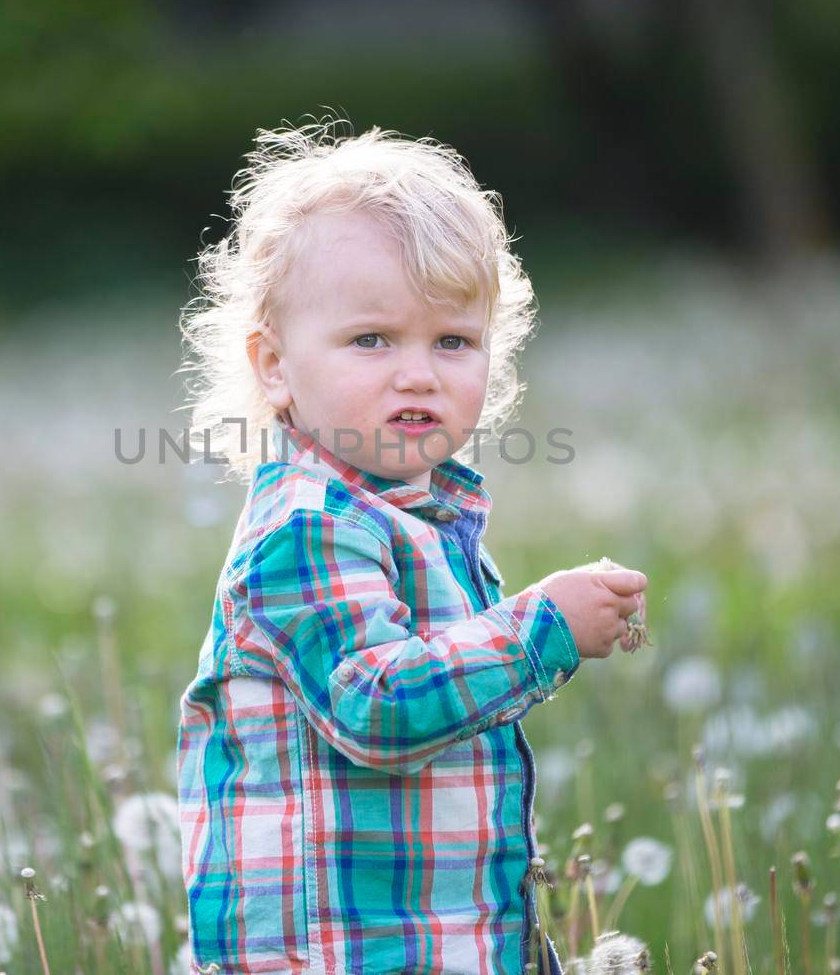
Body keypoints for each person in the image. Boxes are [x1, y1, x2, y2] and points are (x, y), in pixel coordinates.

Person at [174, 118, 649, 973]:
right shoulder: (306, 527)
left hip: (435, 936)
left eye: (453, 341)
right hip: (340, 949)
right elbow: (379, 707)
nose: (419, 372)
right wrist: (542, 626)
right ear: (275, 366)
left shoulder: (419, 515)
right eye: (372, 339)